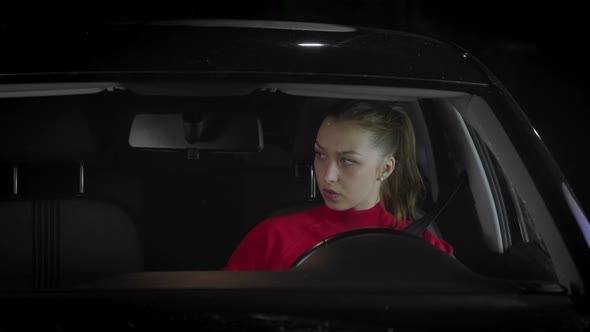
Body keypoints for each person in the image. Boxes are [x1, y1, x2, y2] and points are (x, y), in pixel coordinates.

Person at [224, 100, 453, 271]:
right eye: (320, 154)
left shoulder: (428, 250)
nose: (327, 175)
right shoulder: (272, 237)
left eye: (347, 160)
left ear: (385, 169)